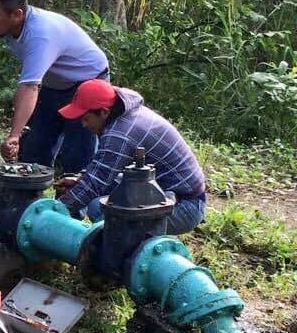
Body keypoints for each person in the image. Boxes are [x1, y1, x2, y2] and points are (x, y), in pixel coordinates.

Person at [54, 79, 206, 234]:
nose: (83, 125)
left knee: (101, 211)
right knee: (89, 197)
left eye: (86, 118)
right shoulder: (122, 112)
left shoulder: (120, 134)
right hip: (158, 190)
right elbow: (102, 168)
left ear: (104, 112)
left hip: (184, 204)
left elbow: (96, 183)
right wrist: (79, 180)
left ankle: (129, 243)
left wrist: (54, 212)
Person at [0, 0, 109, 173]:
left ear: (17, 14)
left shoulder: (40, 34)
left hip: (88, 81)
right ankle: (31, 193)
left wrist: (14, 135)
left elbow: (29, 86)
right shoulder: (11, 28)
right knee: (34, 150)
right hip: (55, 84)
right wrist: (17, 135)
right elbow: (27, 82)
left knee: (78, 156)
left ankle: (77, 192)